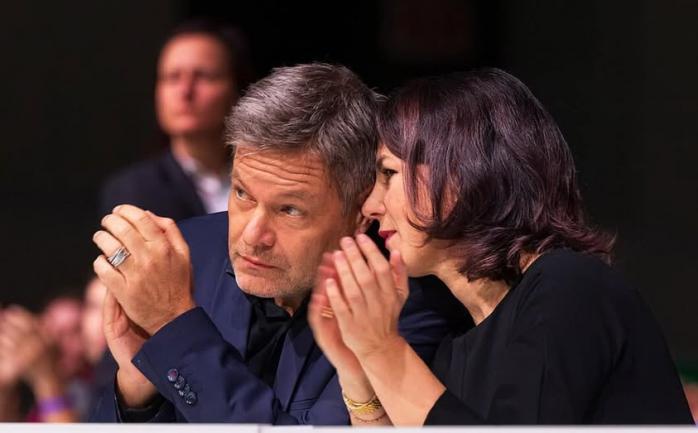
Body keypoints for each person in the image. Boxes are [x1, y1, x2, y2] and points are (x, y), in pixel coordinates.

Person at [308, 68, 694, 425]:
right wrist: (359, 373)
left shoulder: (569, 287)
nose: (370, 206)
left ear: (464, 172)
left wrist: (382, 349)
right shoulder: (455, 350)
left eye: (389, 173)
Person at [90, 63, 451, 424]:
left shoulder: (405, 306)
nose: (252, 236)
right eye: (242, 193)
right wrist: (138, 395)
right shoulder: (187, 256)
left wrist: (176, 325)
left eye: (289, 210)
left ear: (360, 213)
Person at [100, 19, 254, 220]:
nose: (185, 91)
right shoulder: (132, 190)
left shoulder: (265, 179)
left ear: (237, 89)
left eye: (204, 76)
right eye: (172, 77)